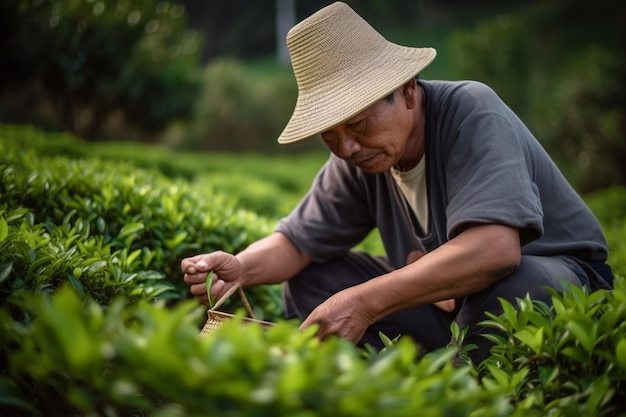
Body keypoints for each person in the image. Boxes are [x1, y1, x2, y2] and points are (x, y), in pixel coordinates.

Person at [182, 2, 614, 363]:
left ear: (407, 90)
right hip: (452, 306)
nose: (347, 147)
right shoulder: (362, 156)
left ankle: (466, 384)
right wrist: (241, 268)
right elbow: (296, 244)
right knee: (314, 280)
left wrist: (365, 302)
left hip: (553, 281)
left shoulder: (471, 113)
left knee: (514, 284)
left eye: (358, 124)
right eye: (329, 135)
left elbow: (495, 250)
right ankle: (408, 380)